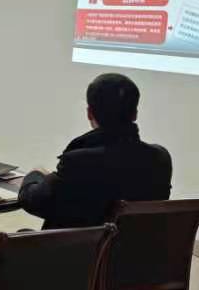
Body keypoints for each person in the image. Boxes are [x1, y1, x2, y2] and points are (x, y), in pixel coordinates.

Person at [18, 73, 172, 229]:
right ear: (135, 114)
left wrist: (35, 174)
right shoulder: (160, 158)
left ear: (89, 113)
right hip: (134, 245)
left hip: (81, 246)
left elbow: (35, 201)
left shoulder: (78, 162)